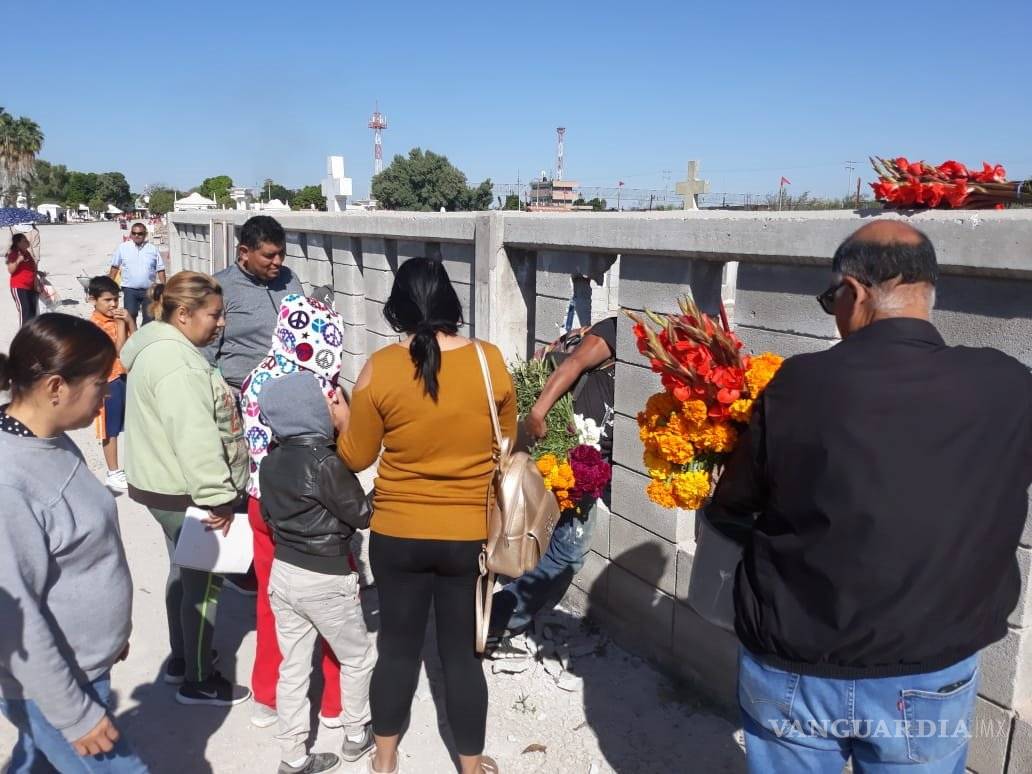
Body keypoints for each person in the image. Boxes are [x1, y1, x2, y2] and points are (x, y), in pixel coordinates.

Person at [709, 221, 1032, 773]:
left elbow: (734, 507)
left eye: (830, 299)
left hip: (798, 661)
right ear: (927, 291)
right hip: (931, 666)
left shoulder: (801, 384)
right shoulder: (1009, 384)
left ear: (854, 293)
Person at [336, 257, 514, 774]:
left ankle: (385, 759)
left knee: (396, 650)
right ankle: (472, 766)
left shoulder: (382, 366)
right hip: (468, 536)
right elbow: (507, 440)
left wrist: (345, 418)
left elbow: (356, 457)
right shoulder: (489, 360)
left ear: (398, 305)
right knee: (461, 657)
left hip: (397, 531)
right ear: (450, 303)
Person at [0, 314, 147, 773]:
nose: (106, 396)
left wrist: (106, 634)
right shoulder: (9, 482)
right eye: (100, 384)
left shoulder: (50, 439)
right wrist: (76, 716)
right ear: (56, 387)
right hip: (55, 688)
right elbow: (11, 619)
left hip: (81, 665)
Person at [122, 272, 251, 707]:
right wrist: (219, 497)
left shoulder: (159, 347)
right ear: (183, 314)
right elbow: (194, 437)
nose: (220, 324)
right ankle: (199, 678)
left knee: (183, 573)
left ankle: (182, 658)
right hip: (186, 492)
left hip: (160, 483)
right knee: (204, 586)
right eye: (214, 315)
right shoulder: (180, 364)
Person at [239, 292, 351, 731]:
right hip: (314, 508)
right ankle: (335, 703)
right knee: (332, 605)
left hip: (262, 502)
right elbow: (343, 445)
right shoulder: (316, 386)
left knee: (273, 603)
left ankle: (266, 697)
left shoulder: (256, 376)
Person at [259, 372, 375, 774]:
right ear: (308, 410)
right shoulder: (325, 463)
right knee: (358, 659)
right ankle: (356, 734)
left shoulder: (270, 462)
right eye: (323, 401)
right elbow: (361, 515)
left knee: (292, 667)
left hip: (284, 573)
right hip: (324, 577)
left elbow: (271, 518)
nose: (330, 406)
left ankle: (292, 756)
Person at [488, 317, 616, 653]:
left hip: (589, 463)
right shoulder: (615, 330)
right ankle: (496, 618)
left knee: (553, 542)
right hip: (560, 451)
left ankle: (501, 606)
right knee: (567, 549)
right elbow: (574, 363)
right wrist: (538, 413)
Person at [206, 215, 302, 395]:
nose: (278, 262)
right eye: (269, 255)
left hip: (292, 393)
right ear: (244, 252)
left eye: (281, 253)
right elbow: (205, 353)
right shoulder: (218, 288)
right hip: (241, 397)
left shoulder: (290, 279)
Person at [88, 275, 136, 492]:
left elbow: (135, 341)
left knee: (129, 424)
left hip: (124, 376)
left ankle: (128, 467)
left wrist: (130, 321)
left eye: (116, 299)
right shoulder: (96, 325)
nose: (114, 304)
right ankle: (113, 472)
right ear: (93, 300)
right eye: (107, 300)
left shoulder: (117, 318)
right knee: (110, 429)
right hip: (108, 381)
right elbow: (119, 351)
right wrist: (120, 322)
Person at [109, 223, 166, 326]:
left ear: (145, 234)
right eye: (134, 233)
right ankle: (132, 337)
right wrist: (108, 286)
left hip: (149, 290)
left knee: (150, 318)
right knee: (130, 315)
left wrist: (164, 287)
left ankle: (144, 338)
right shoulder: (123, 248)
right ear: (131, 234)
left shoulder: (153, 249)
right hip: (129, 289)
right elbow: (115, 267)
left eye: (140, 233)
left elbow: (160, 269)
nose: (136, 236)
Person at [7, 232, 39, 327]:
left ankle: (30, 335)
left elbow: (31, 269)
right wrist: (18, 260)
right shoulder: (14, 253)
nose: (27, 241)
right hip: (19, 287)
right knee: (25, 312)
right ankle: (23, 336)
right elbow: (10, 270)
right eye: (24, 240)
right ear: (18, 243)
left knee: (33, 313)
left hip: (31, 287)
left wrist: (39, 273)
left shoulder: (27, 253)